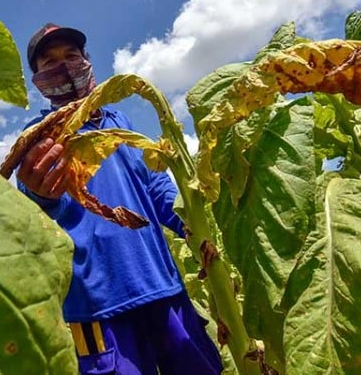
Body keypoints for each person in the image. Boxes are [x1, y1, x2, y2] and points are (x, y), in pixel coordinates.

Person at [16, 23, 223, 375]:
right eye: (48, 62)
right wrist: (42, 195)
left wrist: (195, 223)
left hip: (162, 285)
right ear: (38, 80)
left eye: (71, 55)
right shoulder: (41, 136)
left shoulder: (120, 121)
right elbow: (40, 206)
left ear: (87, 61)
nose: (64, 66)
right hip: (98, 305)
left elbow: (156, 188)